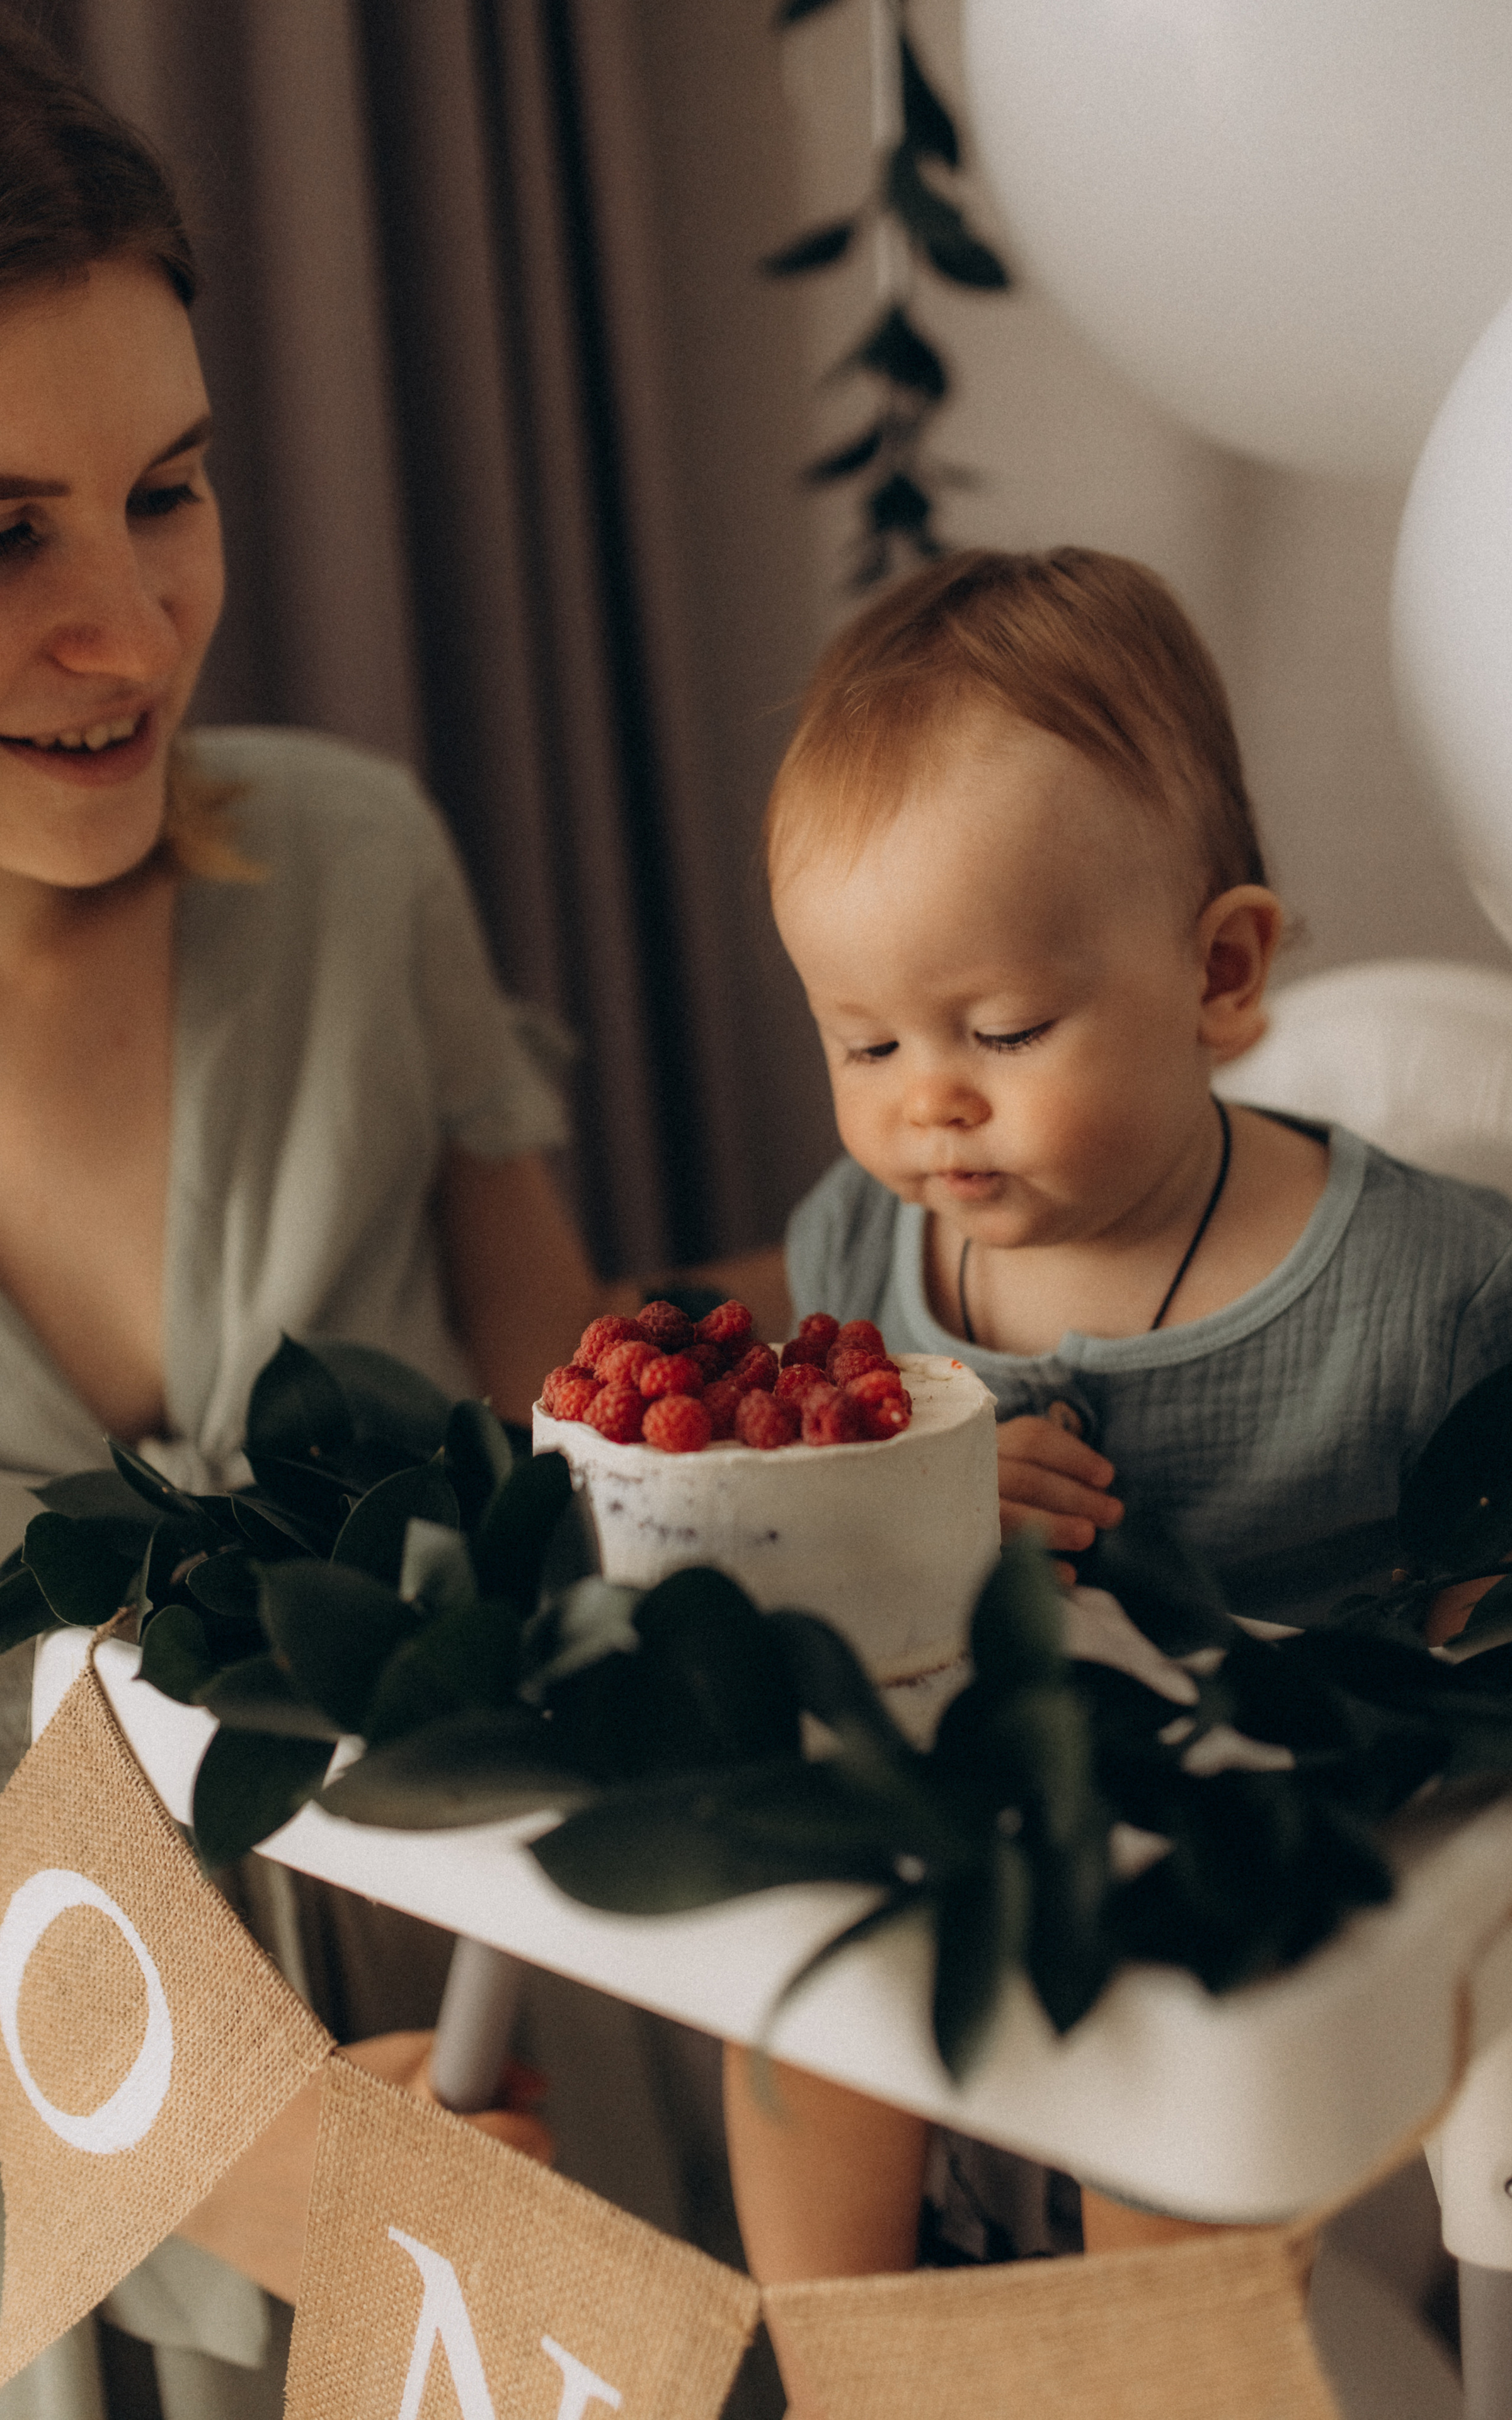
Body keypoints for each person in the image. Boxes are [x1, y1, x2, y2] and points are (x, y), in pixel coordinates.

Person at [0, 25, 784, 2418]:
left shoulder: (357, 867)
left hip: (494, 2016)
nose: (130, 634)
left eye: (175, 489)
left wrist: (914, 1316)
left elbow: (576, 1427)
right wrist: (233, 2165)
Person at [723, 546, 1512, 2411]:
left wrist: (1426, 1749)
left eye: (1001, 1033)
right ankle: (842, 2366)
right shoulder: (859, 1259)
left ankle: (1143, 2386)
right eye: (861, 1042)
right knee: (797, 1993)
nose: (923, 1105)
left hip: (1244, 1865)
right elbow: (805, 1548)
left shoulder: (1420, 1284)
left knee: (1160, 2067)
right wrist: (889, 1508)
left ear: (1220, 973)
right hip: (943, 1825)